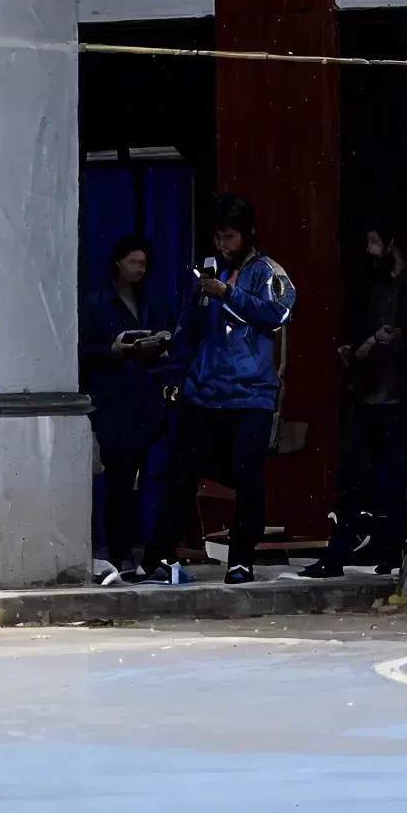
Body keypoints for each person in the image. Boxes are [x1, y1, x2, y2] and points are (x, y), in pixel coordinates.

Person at [152, 198, 292, 582]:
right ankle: (159, 558)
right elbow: (187, 330)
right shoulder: (203, 277)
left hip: (251, 394)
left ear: (247, 234)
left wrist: (229, 294)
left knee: (248, 478)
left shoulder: (267, 271)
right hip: (204, 391)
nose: (222, 243)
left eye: (229, 236)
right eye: (217, 236)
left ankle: (241, 560)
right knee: (182, 473)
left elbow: (279, 312)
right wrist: (174, 376)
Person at [314, 221, 407, 580]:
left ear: (392, 243)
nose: (370, 251)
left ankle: (394, 551)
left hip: (404, 401)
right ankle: (339, 554)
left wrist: (381, 343)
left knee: (397, 482)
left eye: (375, 243)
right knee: (356, 480)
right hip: (372, 397)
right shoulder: (378, 287)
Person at [82, 236, 175, 585]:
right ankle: (118, 550)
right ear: (118, 262)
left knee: (149, 476)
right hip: (113, 398)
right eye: (133, 262)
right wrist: (114, 350)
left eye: (143, 263)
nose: (139, 269)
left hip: (146, 396)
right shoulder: (97, 303)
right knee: (118, 477)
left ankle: (151, 552)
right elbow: (84, 351)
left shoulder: (150, 299)